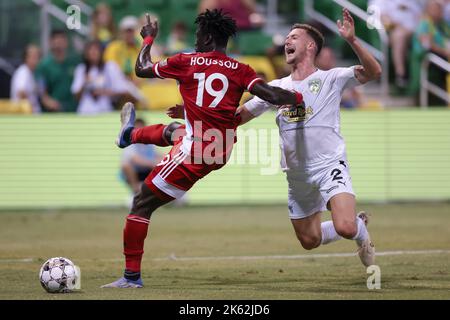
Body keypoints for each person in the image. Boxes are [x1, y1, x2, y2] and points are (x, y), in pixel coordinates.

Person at [155, 9, 380, 269]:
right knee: (309, 239)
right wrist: (197, 109)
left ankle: (359, 230)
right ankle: (355, 224)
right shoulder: (276, 89)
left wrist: (352, 40)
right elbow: (236, 117)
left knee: (345, 226)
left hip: (329, 165)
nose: (287, 41)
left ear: (310, 45)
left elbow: (374, 72)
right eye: (286, 37)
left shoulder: (331, 78)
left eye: (294, 37)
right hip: (297, 173)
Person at [101, 9, 304, 288]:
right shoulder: (242, 69)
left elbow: (141, 68)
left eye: (198, 35)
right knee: (177, 130)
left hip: (196, 152)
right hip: (219, 149)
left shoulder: (185, 61)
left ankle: (131, 277)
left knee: (141, 203)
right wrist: (300, 96)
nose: (195, 40)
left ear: (208, 37)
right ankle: (131, 134)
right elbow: (270, 95)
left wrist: (148, 39)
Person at [71, 41, 127, 115]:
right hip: (85, 112)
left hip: (105, 110)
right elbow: (76, 95)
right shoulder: (81, 69)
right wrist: (84, 83)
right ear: (86, 54)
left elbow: (122, 91)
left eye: (96, 50)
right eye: (90, 50)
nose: (93, 52)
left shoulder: (110, 67)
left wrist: (103, 92)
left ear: (101, 52)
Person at [36, 30, 80, 112]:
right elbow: (41, 91)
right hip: (52, 113)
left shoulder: (76, 62)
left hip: (74, 110)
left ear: (66, 42)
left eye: (61, 40)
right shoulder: (44, 65)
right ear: (50, 43)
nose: (59, 44)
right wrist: (49, 102)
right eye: (56, 41)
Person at [121, 118, 162, 194]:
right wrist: (152, 163)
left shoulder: (149, 142)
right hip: (135, 172)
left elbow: (158, 155)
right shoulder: (130, 143)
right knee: (126, 165)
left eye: (141, 129)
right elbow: (135, 159)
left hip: (147, 171)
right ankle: (135, 189)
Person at [10, 45, 41, 113]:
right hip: (23, 116)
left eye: (37, 57)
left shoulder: (31, 73)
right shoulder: (23, 72)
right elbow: (21, 92)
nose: (36, 60)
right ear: (26, 58)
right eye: (33, 56)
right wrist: (30, 107)